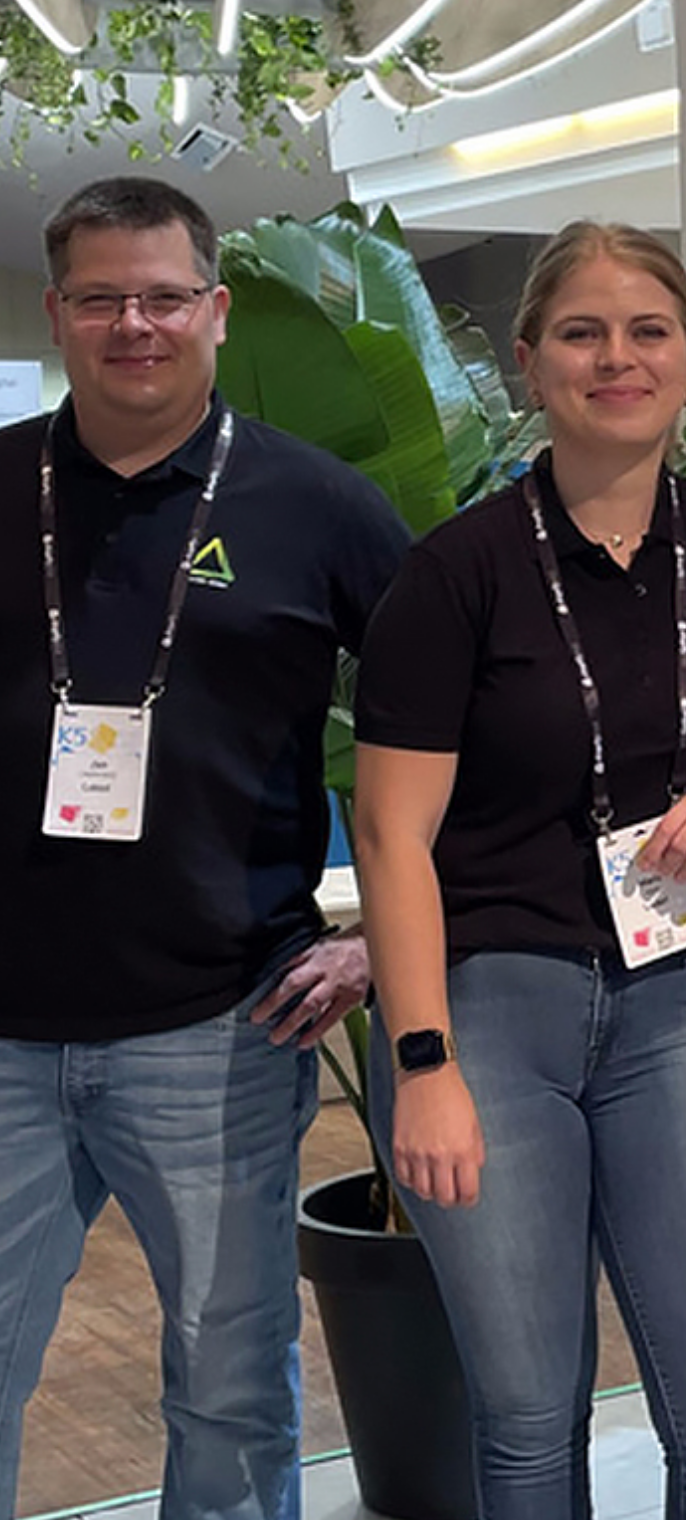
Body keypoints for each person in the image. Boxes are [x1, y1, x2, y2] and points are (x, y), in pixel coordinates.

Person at [352, 220, 686, 1520]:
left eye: (648, 332)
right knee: (530, 1426)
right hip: (489, 1018)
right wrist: (421, 1066)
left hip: (672, 1008)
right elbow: (390, 835)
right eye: (581, 332)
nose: (616, 358)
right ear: (530, 363)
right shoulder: (455, 575)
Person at [0, 177, 408, 1520]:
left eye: (166, 296)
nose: (137, 324)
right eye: (104, 297)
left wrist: (375, 940)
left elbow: (468, 734)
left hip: (224, 1030)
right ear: (57, 313)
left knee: (231, 1386)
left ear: (217, 310)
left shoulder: (322, 507)